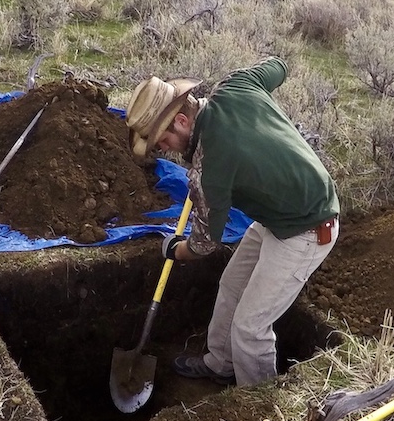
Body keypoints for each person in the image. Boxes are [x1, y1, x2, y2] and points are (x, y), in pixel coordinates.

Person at [125, 57, 339, 386]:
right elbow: (278, 66)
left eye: (161, 142)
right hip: (276, 215)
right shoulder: (237, 84)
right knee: (231, 287)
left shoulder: (209, 167)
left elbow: (204, 243)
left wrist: (175, 250)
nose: (164, 151)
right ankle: (221, 363)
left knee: (250, 327)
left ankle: (256, 401)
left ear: (181, 120)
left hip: (308, 228)